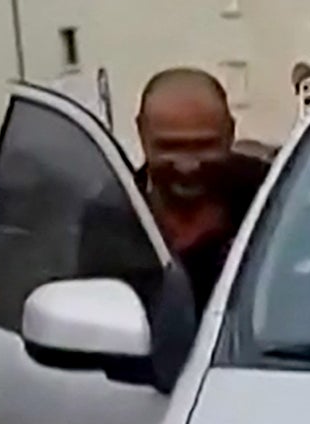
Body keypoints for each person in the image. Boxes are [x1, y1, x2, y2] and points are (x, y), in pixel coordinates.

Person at [83, 68, 268, 311]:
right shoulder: (113, 221)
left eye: (204, 146)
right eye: (170, 147)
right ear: (141, 133)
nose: (187, 165)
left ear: (230, 133)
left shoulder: (274, 200)